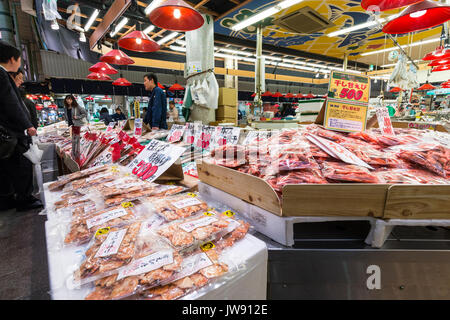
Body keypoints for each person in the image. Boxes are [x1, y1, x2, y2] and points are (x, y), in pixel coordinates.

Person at [0, 40, 41, 211]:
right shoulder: (2, 75)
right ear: (12, 59)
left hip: (7, 133)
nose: (19, 64)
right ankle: (23, 199)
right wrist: (27, 125)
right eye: (19, 60)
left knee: (9, 168)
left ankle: (11, 199)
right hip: (9, 133)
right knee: (19, 165)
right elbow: (11, 103)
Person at [63, 95, 87, 165]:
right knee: (72, 140)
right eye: (67, 99)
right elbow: (67, 116)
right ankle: (74, 156)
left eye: (70, 99)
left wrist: (77, 117)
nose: (68, 101)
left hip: (76, 125)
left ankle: (77, 157)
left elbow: (85, 113)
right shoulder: (65, 108)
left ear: (73, 100)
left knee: (76, 141)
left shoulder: (77, 106)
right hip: (70, 126)